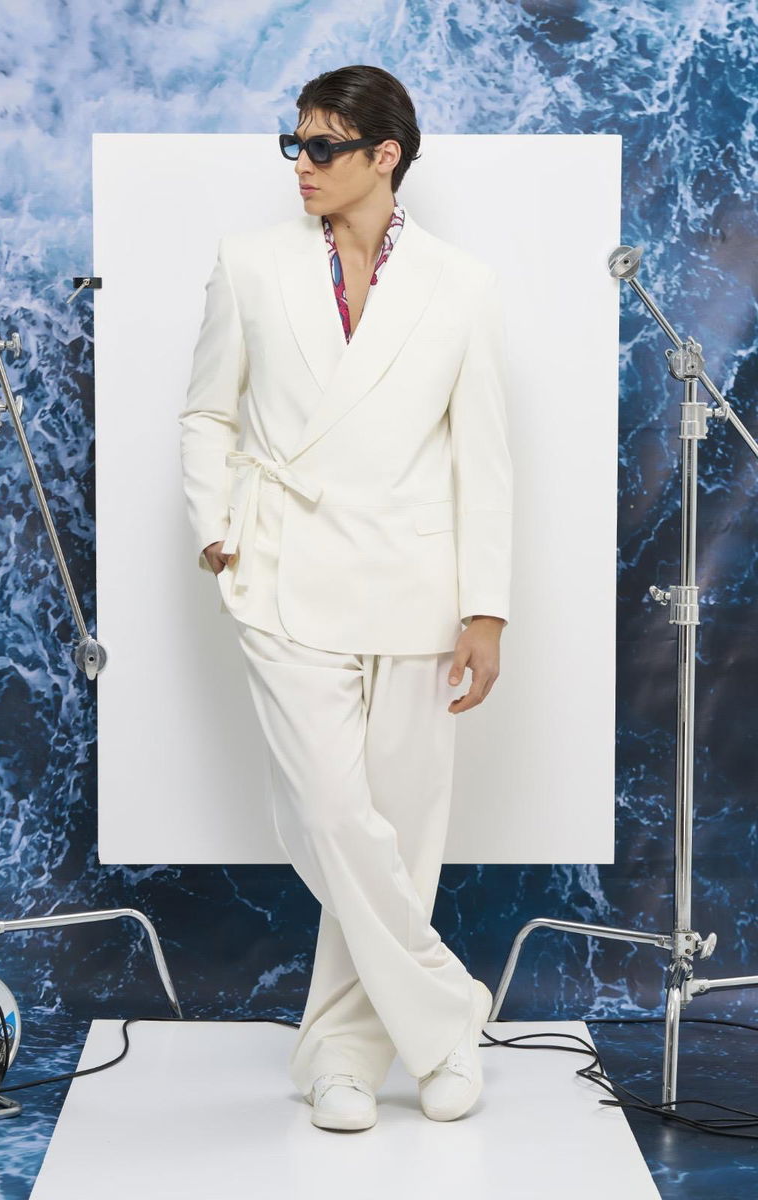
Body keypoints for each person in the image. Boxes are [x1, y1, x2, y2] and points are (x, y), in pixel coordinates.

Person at [178, 64, 513, 1132]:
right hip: (281, 568)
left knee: (398, 834)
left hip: (414, 581)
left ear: (385, 156)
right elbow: (207, 413)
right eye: (295, 144)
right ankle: (449, 1016)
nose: (301, 165)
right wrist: (218, 530)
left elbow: (482, 456)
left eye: (323, 147)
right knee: (332, 816)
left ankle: (341, 1058)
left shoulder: (459, 284)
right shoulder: (249, 263)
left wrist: (486, 608)